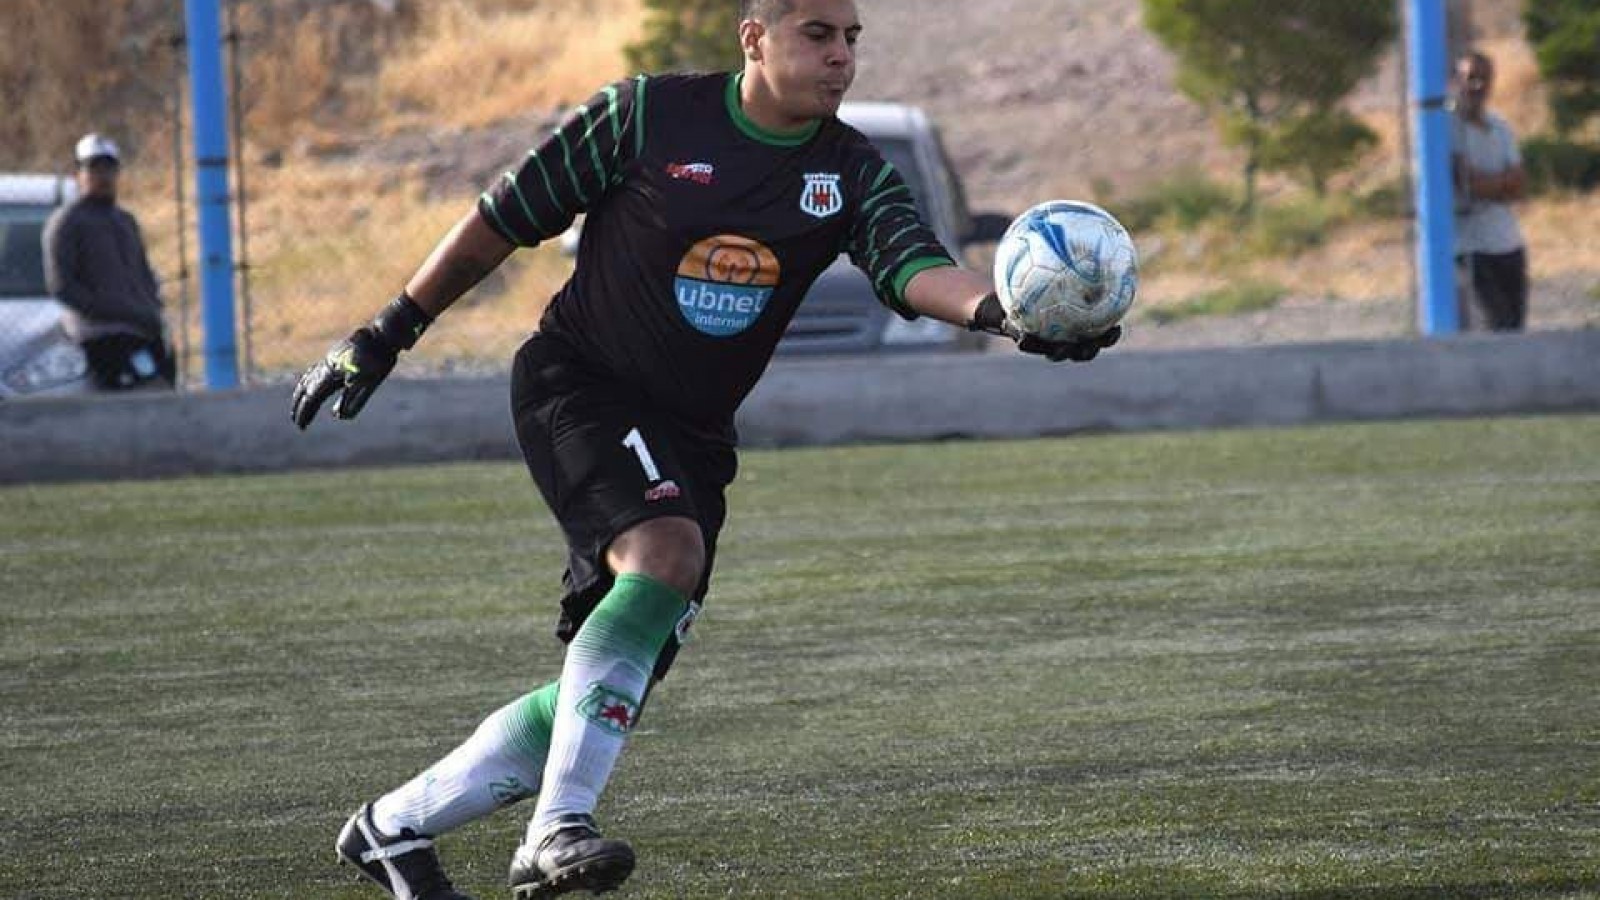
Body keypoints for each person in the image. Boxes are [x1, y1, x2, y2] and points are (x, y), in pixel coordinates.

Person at [291, 1, 1120, 897]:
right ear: (754, 37)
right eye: (818, 34)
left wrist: (1004, 315)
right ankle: (555, 831)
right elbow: (503, 217)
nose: (841, 57)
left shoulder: (848, 168)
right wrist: (388, 330)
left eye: (852, 40)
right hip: (579, 383)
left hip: (694, 439)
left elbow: (911, 264)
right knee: (665, 553)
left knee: (608, 692)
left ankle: (394, 827)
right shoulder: (646, 116)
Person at [42, 132, 176, 389]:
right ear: (78, 174)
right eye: (93, 168)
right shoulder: (67, 223)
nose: (102, 176)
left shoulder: (125, 221)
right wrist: (111, 312)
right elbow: (62, 286)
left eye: (108, 168)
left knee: (163, 397)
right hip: (102, 338)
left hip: (144, 331)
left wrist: (151, 309)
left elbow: (143, 274)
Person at [1450, 51, 1528, 332]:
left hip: (1507, 241)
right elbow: (1467, 184)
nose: (1477, 86)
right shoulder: (1448, 127)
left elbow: (1519, 184)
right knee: (1495, 323)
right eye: (1470, 78)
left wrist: (1488, 185)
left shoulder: (1500, 126)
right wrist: (1500, 183)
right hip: (1469, 246)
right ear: (1456, 81)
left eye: (1484, 79)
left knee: (1515, 324)